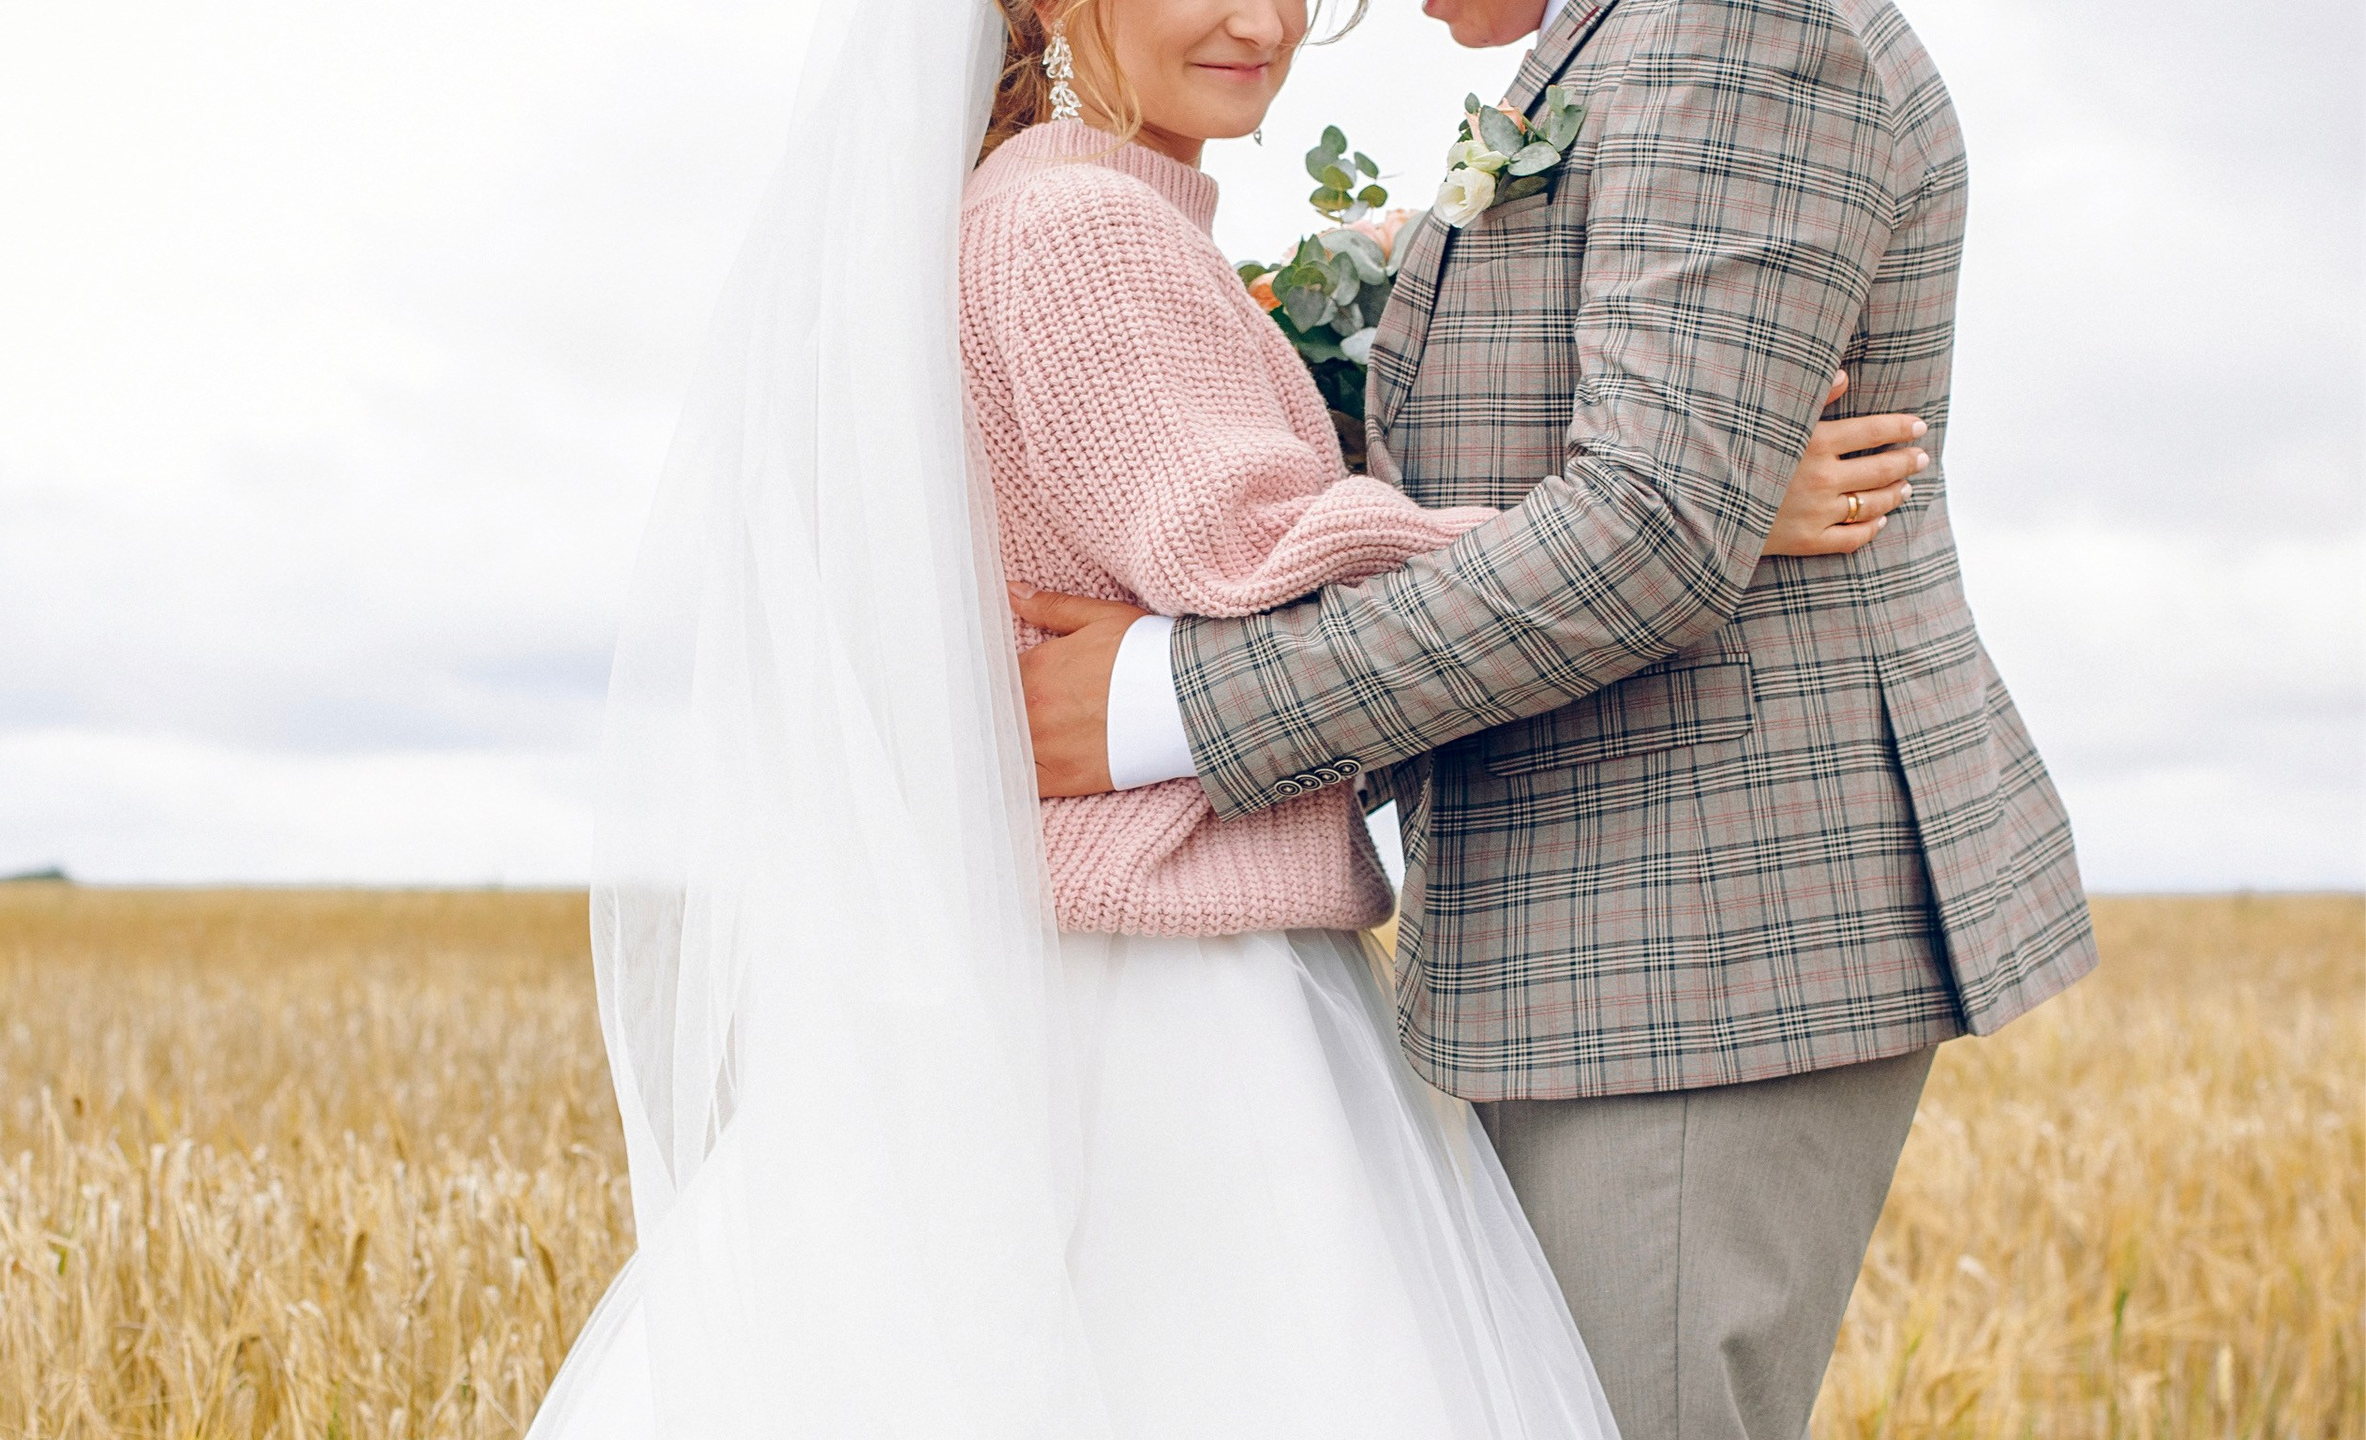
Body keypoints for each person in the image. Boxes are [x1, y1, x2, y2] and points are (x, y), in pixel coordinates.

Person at [526, 1, 1934, 1436]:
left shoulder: (1058, 210)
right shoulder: (1081, 230)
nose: (1263, 20)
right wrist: (1692, 519)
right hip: (1181, 1011)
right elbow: (1266, 566)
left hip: (1115, 971)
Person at [1009, 0, 2101, 1435]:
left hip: (1699, 939)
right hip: (1584, 941)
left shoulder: (1732, 31)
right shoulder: (1609, 49)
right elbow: (1604, 482)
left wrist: (1180, 702)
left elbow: (1651, 530)